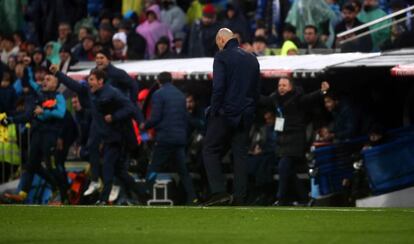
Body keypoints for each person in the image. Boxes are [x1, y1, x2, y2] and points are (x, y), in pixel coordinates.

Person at [51, 66, 146, 205]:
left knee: (107, 167)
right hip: (106, 137)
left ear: (100, 81)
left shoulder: (113, 93)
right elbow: (73, 84)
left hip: (117, 137)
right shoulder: (91, 93)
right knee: (119, 172)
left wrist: (114, 117)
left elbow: (130, 108)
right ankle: (143, 193)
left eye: (91, 79)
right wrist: (58, 73)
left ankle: (102, 200)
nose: (88, 82)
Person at [202, 28, 260, 206]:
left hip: (226, 113)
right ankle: (240, 197)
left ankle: (219, 192)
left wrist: (214, 111)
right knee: (240, 155)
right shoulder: (252, 58)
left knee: (210, 149)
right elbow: (257, 90)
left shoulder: (222, 57)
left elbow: (218, 88)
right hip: (245, 115)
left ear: (221, 39)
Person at [260, 77, 330, 206]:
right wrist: (248, 92)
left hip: (295, 139)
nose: (281, 87)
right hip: (282, 140)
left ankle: (281, 199)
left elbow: (309, 98)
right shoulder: (275, 99)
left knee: (283, 166)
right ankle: (305, 198)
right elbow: (263, 100)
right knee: (288, 170)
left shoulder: (297, 98)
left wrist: (322, 91)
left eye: (284, 85)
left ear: (291, 87)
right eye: (279, 85)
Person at [140, 72, 197, 205]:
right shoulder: (180, 95)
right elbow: (184, 118)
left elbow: (155, 118)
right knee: (183, 171)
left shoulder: (158, 94)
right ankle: (193, 197)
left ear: (159, 82)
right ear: (171, 81)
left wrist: (145, 125)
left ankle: (143, 195)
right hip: (179, 139)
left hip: (165, 138)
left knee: (154, 167)